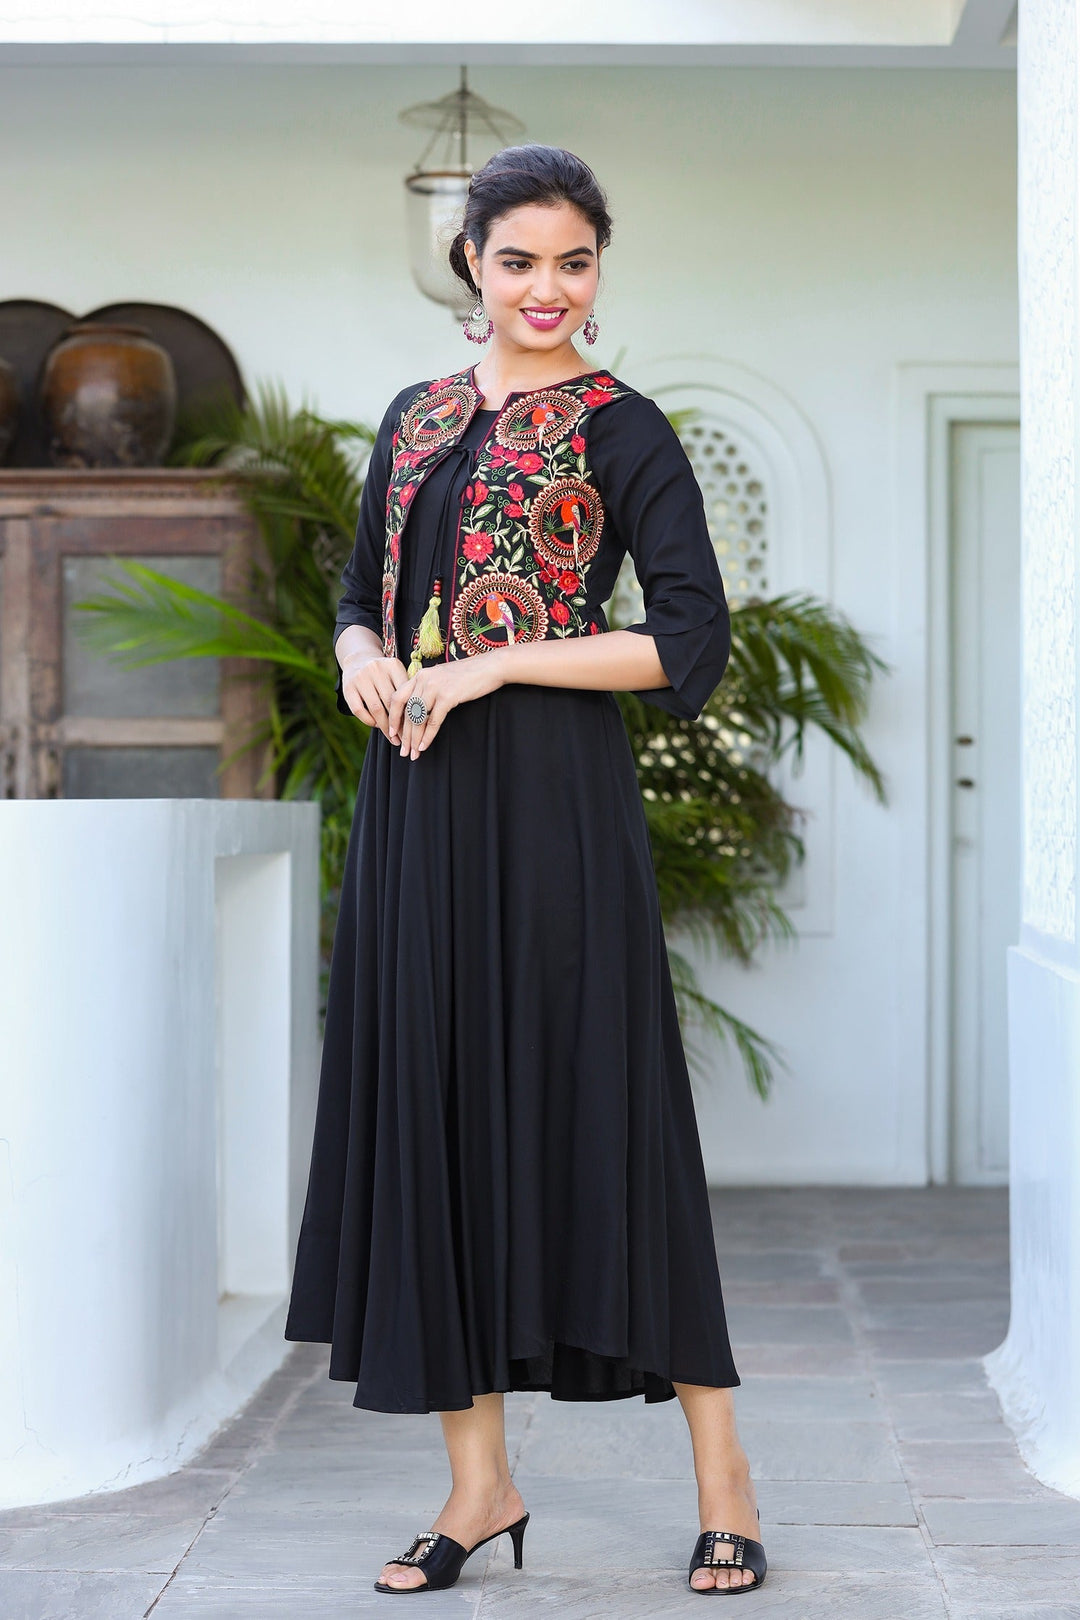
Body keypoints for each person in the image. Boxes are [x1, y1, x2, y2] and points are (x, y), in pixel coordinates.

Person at [283, 143, 767, 1597]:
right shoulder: (417, 416)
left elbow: (686, 641)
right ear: (470, 265)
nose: (546, 288)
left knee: (611, 1112)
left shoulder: (624, 429)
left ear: (598, 270)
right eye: (518, 261)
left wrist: (493, 667)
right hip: (417, 803)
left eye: (574, 261)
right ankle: (478, 1487)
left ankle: (725, 1479)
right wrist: (363, 653)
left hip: (555, 809)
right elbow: (360, 594)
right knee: (436, 1112)